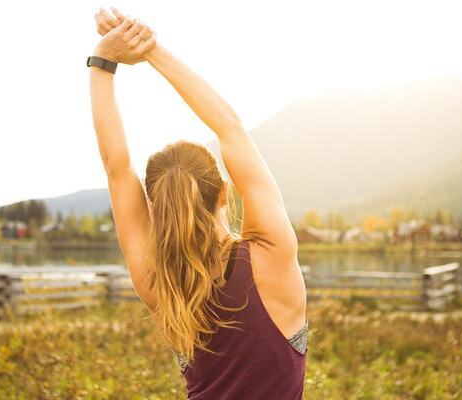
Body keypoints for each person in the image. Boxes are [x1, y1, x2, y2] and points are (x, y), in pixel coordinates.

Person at [87, 7, 307, 399]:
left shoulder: (159, 282)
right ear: (224, 191)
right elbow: (229, 127)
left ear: (155, 206)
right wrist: (150, 48)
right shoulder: (270, 254)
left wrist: (103, 63)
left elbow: (117, 169)